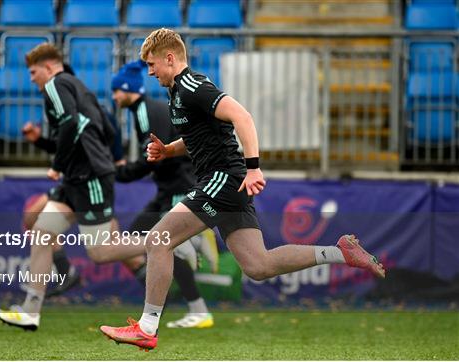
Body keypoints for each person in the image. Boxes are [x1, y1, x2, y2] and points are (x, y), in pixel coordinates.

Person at [99, 28, 386, 351]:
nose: (150, 72)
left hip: (223, 179)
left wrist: (254, 167)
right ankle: (340, 252)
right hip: (225, 182)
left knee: (157, 240)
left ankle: (147, 327)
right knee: (258, 266)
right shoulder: (178, 91)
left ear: (170, 58)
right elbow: (199, 139)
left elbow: (242, 117)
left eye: (152, 64)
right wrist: (168, 150)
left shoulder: (193, 86)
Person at [0, 43, 148, 331]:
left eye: (33, 71)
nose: (31, 78)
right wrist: (45, 144)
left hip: (90, 179)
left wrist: (60, 164)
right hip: (77, 179)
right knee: (40, 232)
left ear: (49, 67)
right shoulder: (79, 87)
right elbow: (102, 129)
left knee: (100, 253)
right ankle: (31, 310)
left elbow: (71, 124)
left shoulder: (55, 84)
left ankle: (169, 242)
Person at [111, 60, 217, 328]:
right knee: (137, 239)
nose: (114, 97)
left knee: (161, 244)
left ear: (127, 89)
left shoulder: (144, 111)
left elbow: (154, 156)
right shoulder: (144, 111)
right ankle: (170, 297)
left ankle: (195, 306)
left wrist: (121, 173)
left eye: (116, 91)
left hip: (178, 187)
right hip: (168, 188)